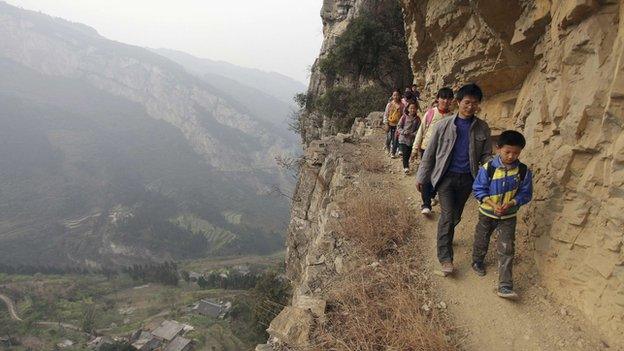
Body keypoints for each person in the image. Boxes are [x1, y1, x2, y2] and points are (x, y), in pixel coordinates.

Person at [415, 83, 492, 275]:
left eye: (475, 103)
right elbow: (430, 153)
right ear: (458, 102)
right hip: (446, 178)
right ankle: (445, 258)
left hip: (468, 179)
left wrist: (492, 167)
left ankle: (445, 233)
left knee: (456, 216)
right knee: (448, 216)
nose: (470, 107)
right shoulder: (443, 126)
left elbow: (486, 155)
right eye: (467, 102)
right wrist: (422, 177)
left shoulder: (482, 128)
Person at [471, 130, 533, 299]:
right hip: (487, 213)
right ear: (498, 148)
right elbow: (478, 189)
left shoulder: (523, 171)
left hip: (508, 216)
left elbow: (526, 194)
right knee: (482, 237)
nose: (511, 156)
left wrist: (512, 203)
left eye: (516, 153)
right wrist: (492, 204)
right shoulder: (488, 168)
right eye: (507, 152)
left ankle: (505, 286)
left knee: (507, 247)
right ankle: (477, 260)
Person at [411, 87, 455, 214]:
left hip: (443, 153)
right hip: (427, 149)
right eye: (443, 98)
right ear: (437, 99)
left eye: (448, 99)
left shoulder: (452, 118)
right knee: (425, 176)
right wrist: (415, 148)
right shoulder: (430, 113)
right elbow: (421, 131)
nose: (445, 101)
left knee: (438, 176)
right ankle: (426, 204)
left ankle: (430, 195)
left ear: (452, 101)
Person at [397, 102, 421, 174]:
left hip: (411, 140)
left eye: (414, 108)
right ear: (407, 109)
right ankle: (406, 167)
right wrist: (403, 132)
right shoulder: (404, 117)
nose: (412, 110)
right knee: (405, 153)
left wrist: (413, 134)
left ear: (416, 109)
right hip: (403, 139)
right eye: (411, 108)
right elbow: (399, 126)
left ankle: (407, 163)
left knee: (409, 153)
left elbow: (419, 130)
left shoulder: (417, 119)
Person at [382, 90, 404, 158]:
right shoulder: (389, 104)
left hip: (397, 125)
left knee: (395, 139)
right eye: (394, 95)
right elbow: (386, 114)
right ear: (392, 96)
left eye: (397, 95)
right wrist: (386, 123)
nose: (395, 97)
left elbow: (403, 115)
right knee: (389, 138)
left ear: (399, 96)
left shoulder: (402, 105)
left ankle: (393, 152)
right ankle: (387, 147)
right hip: (389, 124)